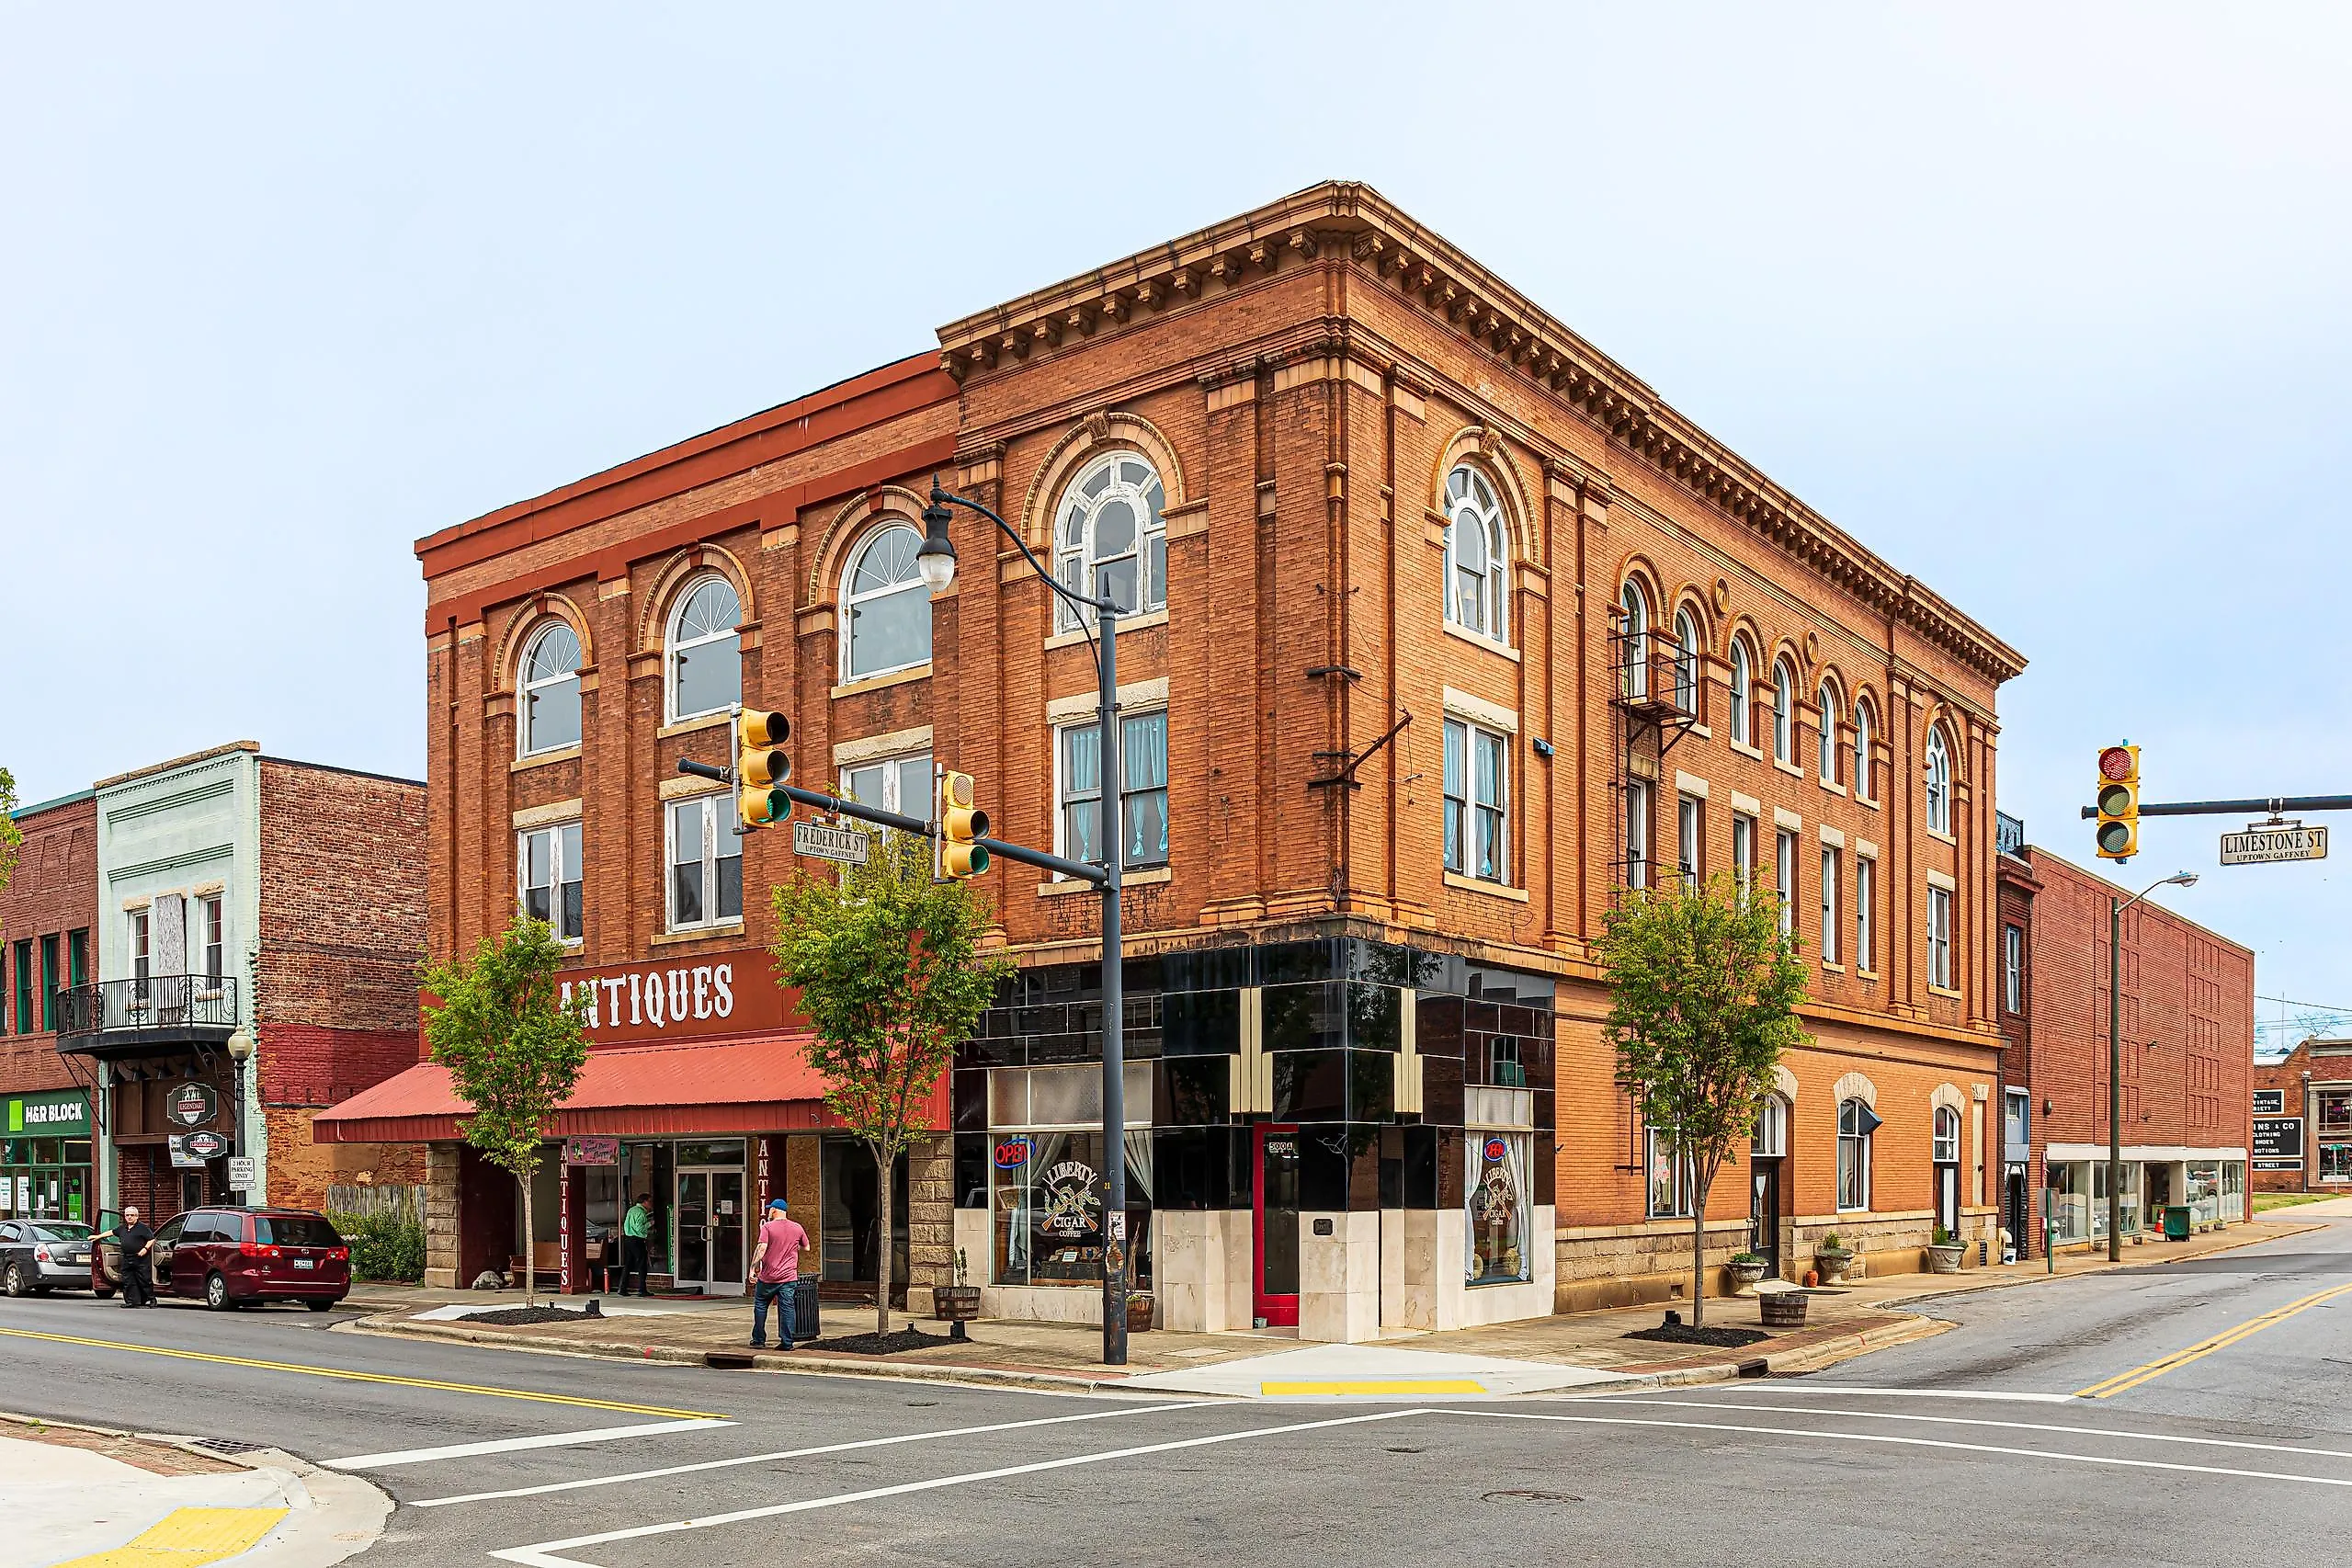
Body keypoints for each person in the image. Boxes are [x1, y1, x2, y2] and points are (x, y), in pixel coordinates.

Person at [746, 1197, 809, 1350]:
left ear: (774, 1210)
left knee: (760, 1305)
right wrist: (791, 1247)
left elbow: (761, 1248)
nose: (769, 1211)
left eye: (770, 1209)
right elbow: (806, 1247)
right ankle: (787, 1343)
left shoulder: (768, 1227)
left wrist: (752, 1268)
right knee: (787, 1308)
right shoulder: (797, 1227)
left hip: (768, 1277)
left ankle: (759, 1340)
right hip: (788, 1278)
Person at [98, 1207, 157, 1308]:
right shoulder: (123, 1228)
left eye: (132, 1215)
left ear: (137, 1217)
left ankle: (151, 1299)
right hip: (127, 1258)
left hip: (140, 1258)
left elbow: (151, 1239)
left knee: (144, 1279)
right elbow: (112, 1232)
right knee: (128, 1280)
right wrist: (98, 1237)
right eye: (127, 1215)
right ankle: (132, 1301)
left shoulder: (142, 1228)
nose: (129, 1217)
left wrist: (145, 1249)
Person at [618, 1193, 653, 1296]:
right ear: (644, 1202)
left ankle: (622, 1288)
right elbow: (639, 1228)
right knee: (642, 1265)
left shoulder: (631, 1210)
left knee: (628, 1265)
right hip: (637, 1240)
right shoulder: (641, 1213)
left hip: (628, 1239)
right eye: (649, 1201)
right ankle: (642, 1290)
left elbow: (626, 1224)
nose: (650, 1204)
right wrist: (650, 1223)